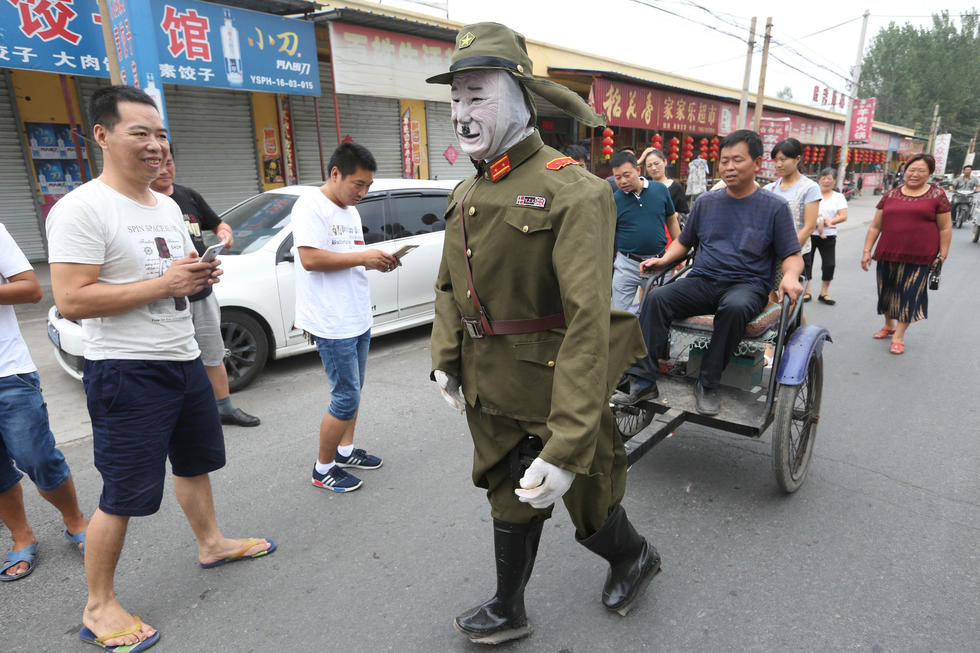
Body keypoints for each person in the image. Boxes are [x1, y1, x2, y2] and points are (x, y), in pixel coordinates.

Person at [426, 22, 657, 645]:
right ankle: (509, 607)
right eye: (454, 100)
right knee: (506, 492)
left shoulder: (572, 190)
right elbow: (450, 285)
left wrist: (569, 436)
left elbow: (588, 321)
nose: (461, 115)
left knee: (589, 502)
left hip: (558, 384)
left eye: (477, 96)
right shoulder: (469, 189)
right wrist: (445, 358)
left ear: (522, 98)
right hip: (488, 380)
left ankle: (634, 556)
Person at [46, 85, 274, 651]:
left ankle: (212, 543)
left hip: (182, 358)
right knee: (123, 492)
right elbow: (72, 299)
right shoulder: (82, 208)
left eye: (161, 134)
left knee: (196, 464)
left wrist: (195, 276)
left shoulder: (168, 205)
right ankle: (99, 608)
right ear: (102, 135)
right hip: (125, 371)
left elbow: (168, 276)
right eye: (140, 133)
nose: (156, 146)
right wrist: (166, 284)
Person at [612, 129, 803, 416]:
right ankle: (643, 380)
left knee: (734, 307)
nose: (728, 167)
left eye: (737, 160)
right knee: (656, 297)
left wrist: (789, 276)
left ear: (756, 163)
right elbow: (684, 242)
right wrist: (663, 260)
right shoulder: (706, 202)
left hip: (747, 286)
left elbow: (792, 255)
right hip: (703, 280)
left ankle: (708, 382)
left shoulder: (774, 207)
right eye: (724, 161)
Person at [292, 142, 395, 493]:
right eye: (358, 185)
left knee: (355, 389)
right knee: (345, 396)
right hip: (330, 320)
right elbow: (311, 259)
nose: (362, 193)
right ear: (335, 173)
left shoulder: (350, 211)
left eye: (368, 186)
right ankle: (323, 469)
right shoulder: (310, 206)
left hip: (356, 314)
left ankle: (345, 450)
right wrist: (363, 258)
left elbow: (348, 257)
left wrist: (377, 259)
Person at [1, 224, 89, 581]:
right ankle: (22, 535)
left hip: (7, 372)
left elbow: (31, 288)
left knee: (36, 456)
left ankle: (75, 520)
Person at [150, 147, 260, 427]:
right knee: (172, 361)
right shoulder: (145, 203)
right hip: (165, 298)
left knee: (213, 351)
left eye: (169, 163)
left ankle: (224, 408)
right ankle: (182, 416)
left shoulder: (189, 196)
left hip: (203, 292)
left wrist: (224, 234)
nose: (165, 169)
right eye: (159, 164)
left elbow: (218, 223)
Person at [861, 153, 951, 355]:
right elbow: (876, 226)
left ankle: (898, 336)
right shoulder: (891, 194)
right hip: (887, 253)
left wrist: (942, 255)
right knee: (886, 292)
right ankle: (889, 325)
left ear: (929, 173)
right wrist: (867, 250)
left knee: (909, 295)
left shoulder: (937, 196)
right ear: (904, 170)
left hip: (920, 256)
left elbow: (945, 228)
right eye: (911, 169)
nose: (915, 174)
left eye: (921, 170)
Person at [610, 150, 680, 310]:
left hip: (659, 262)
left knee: (659, 310)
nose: (622, 181)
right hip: (627, 264)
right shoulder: (615, 199)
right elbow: (609, 232)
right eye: (617, 177)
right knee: (619, 313)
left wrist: (679, 250)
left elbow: (671, 219)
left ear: (638, 171)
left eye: (627, 175)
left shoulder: (660, 190)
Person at [764, 138, 819, 301]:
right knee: (770, 298)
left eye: (783, 159)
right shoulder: (769, 189)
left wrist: (788, 252)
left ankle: (791, 327)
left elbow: (809, 227)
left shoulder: (809, 188)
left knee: (789, 302)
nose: (779, 164)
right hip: (771, 254)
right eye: (776, 160)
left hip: (796, 253)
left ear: (797, 159)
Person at [804, 168, 848, 305]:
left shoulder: (838, 197)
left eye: (829, 178)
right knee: (807, 263)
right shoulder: (811, 194)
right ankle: (807, 291)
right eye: (823, 178)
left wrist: (827, 222)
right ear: (819, 179)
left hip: (828, 235)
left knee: (829, 264)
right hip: (810, 234)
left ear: (834, 180)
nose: (826, 181)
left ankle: (824, 293)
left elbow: (843, 216)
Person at [639, 147, 689, 216]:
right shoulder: (643, 183)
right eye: (649, 166)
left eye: (656, 163)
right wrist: (640, 160)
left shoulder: (676, 187)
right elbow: (628, 176)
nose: (653, 168)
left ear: (665, 162)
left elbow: (685, 214)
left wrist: (673, 215)